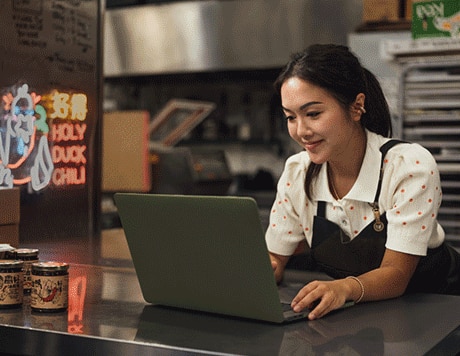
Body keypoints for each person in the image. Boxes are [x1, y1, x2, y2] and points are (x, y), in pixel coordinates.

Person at [266, 44, 460, 320]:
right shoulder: (298, 172)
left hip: (440, 314)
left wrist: (343, 289)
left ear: (356, 107)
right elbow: (274, 258)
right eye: (290, 117)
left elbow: (396, 275)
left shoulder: (408, 166)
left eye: (313, 114)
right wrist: (258, 272)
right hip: (368, 318)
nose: (301, 131)